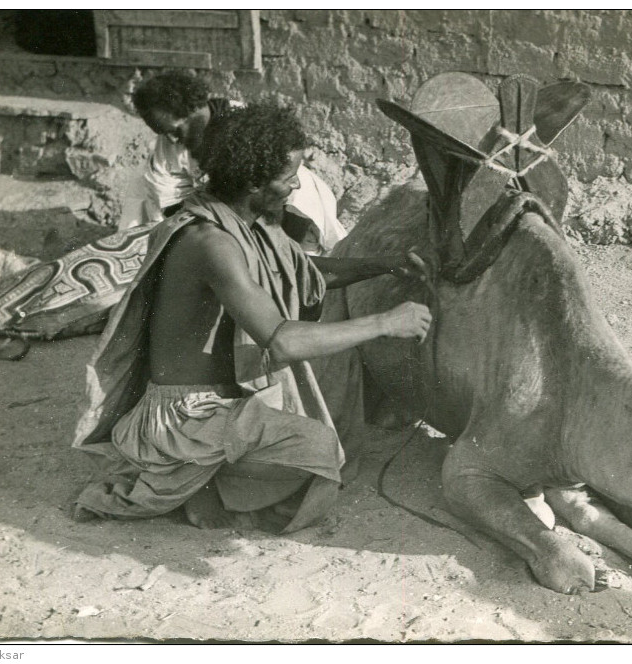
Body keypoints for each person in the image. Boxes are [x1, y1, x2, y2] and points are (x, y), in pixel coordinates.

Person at [71, 103, 432, 533]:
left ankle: (209, 477)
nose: (296, 185)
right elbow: (280, 341)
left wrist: (386, 265)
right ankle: (202, 488)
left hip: (217, 403)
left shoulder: (250, 226)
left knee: (322, 422)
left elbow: (305, 274)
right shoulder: (211, 242)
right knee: (318, 447)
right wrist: (385, 322)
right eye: (287, 176)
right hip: (183, 416)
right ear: (254, 180)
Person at [121, 71, 347, 256]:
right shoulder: (172, 142)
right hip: (220, 221)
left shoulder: (246, 127)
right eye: (165, 133)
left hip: (281, 211)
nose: (172, 139)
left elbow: (277, 192)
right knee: (140, 187)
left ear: (193, 109)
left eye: (176, 130)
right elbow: (165, 194)